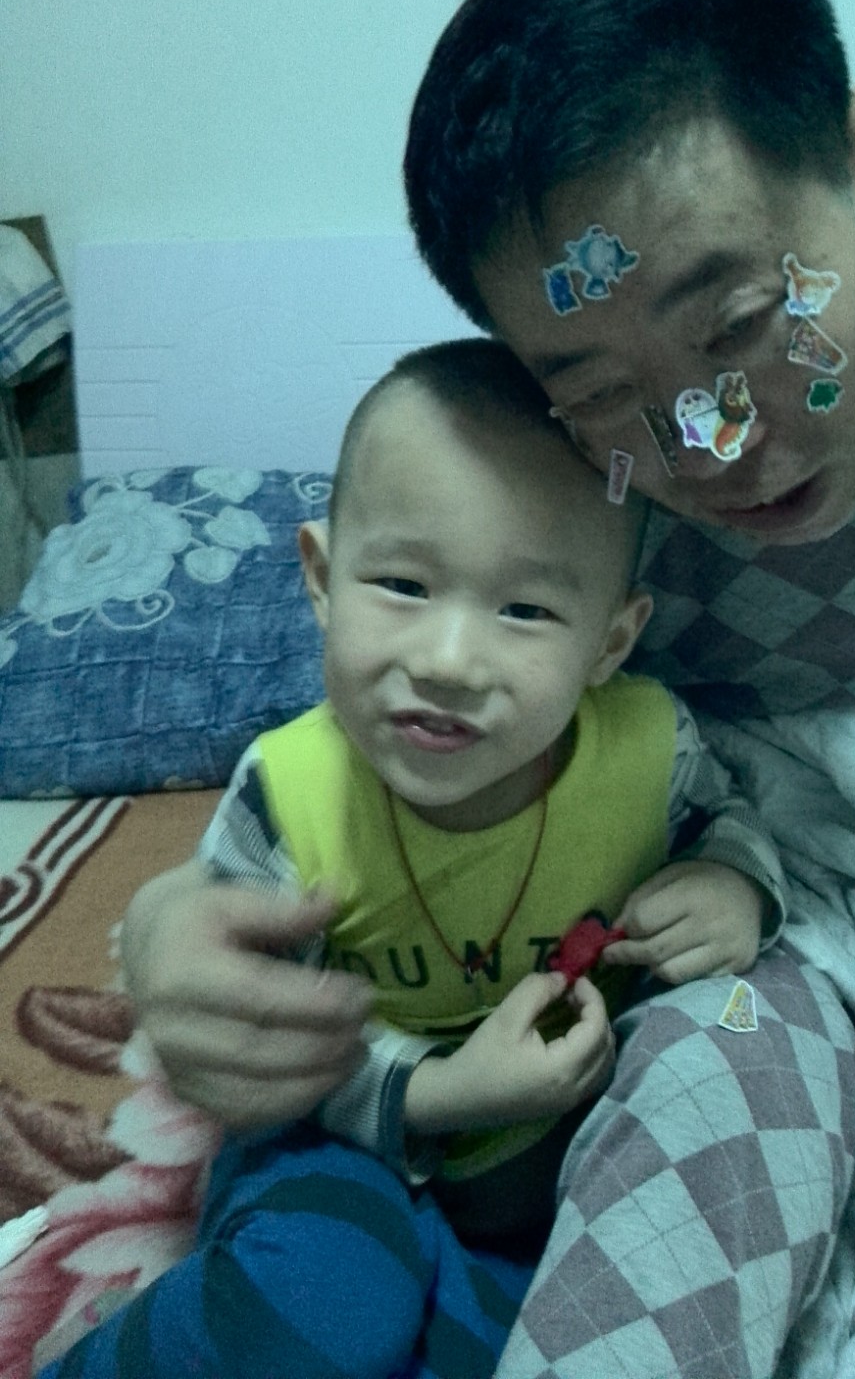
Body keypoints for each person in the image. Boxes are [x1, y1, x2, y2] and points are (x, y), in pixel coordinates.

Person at [120, 0, 855, 1377]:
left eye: (740, 324)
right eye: (601, 391)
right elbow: (380, 712)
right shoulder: (564, 469)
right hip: (734, 938)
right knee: (709, 1103)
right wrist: (168, 927)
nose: (709, 444)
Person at [42, 336, 808, 1378]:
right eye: (402, 584)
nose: (448, 662)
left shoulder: (650, 749)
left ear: (609, 643)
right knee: (326, 1300)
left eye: (525, 610)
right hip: (335, 1143)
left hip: (554, 1163)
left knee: (568, 1322)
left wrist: (734, 883)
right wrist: (439, 1095)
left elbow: (734, 818)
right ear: (321, 578)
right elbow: (252, 1052)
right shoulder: (290, 793)